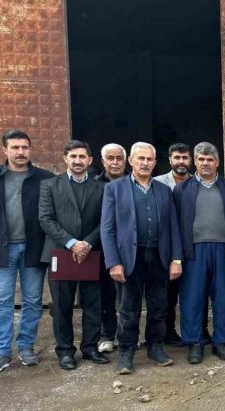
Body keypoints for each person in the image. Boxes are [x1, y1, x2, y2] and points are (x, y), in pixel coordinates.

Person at [100, 142, 183, 374]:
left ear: (155, 163)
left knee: (159, 306)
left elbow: (173, 227)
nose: (145, 163)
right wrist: (113, 262)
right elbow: (107, 229)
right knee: (128, 308)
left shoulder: (164, 191)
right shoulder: (114, 189)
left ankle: (155, 348)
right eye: (141, 159)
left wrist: (176, 258)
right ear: (131, 162)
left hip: (159, 256)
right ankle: (126, 352)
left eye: (149, 160)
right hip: (129, 258)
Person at [39, 140, 108, 369]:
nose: (78, 161)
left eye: (82, 157)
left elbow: (105, 220)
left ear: (89, 160)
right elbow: (45, 219)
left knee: (92, 304)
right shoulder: (49, 185)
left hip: (91, 252)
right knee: (62, 305)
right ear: (65, 159)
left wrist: (87, 242)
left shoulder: (102, 188)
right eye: (73, 156)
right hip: (60, 252)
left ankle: (90, 347)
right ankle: (65, 351)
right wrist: (71, 243)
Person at [172, 142, 225, 364]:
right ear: (194, 161)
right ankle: (195, 343)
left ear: (217, 162)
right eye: (201, 159)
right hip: (194, 251)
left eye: (210, 160)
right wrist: (178, 256)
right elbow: (175, 225)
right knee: (192, 298)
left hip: (223, 250)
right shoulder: (182, 189)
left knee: (224, 297)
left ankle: (221, 342)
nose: (205, 163)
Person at [0, 130, 53, 372]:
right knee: (3, 300)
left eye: (24, 147)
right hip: (4, 248)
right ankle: (2, 350)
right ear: (5, 150)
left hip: (34, 247)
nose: (21, 152)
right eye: (15, 148)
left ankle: (26, 347)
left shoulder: (44, 179)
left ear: (30, 150)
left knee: (32, 300)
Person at [154, 143, 196, 348]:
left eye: (185, 157)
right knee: (165, 294)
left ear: (191, 160)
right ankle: (163, 333)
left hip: (192, 246)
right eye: (177, 157)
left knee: (191, 292)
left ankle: (194, 330)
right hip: (165, 247)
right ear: (170, 160)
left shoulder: (196, 183)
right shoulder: (158, 184)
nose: (181, 161)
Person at [95, 143, 128, 354]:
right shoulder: (94, 185)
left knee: (127, 295)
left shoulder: (135, 184)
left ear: (126, 161)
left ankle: (127, 336)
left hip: (127, 248)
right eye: (110, 158)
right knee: (103, 293)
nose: (115, 162)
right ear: (102, 161)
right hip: (100, 246)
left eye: (119, 158)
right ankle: (107, 334)